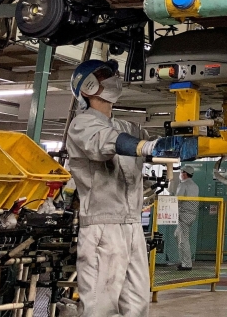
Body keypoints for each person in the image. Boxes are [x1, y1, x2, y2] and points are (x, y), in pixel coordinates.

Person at [66, 59, 195, 317]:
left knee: (137, 305)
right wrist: (146, 147)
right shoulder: (82, 124)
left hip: (133, 226)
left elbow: (148, 142)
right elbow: (106, 144)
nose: (114, 79)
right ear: (88, 86)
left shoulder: (125, 127)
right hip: (103, 228)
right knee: (99, 307)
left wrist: (182, 143)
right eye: (105, 75)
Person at [174, 167, 199, 270]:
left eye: (181, 172)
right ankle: (184, 261)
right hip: (191, 214)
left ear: (185, 174)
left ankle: (187, 264)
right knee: (177, 235)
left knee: (183, 239)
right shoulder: (195, 186)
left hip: (184, 214)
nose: (180, 174)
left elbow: (177, 199)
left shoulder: (183, 184)